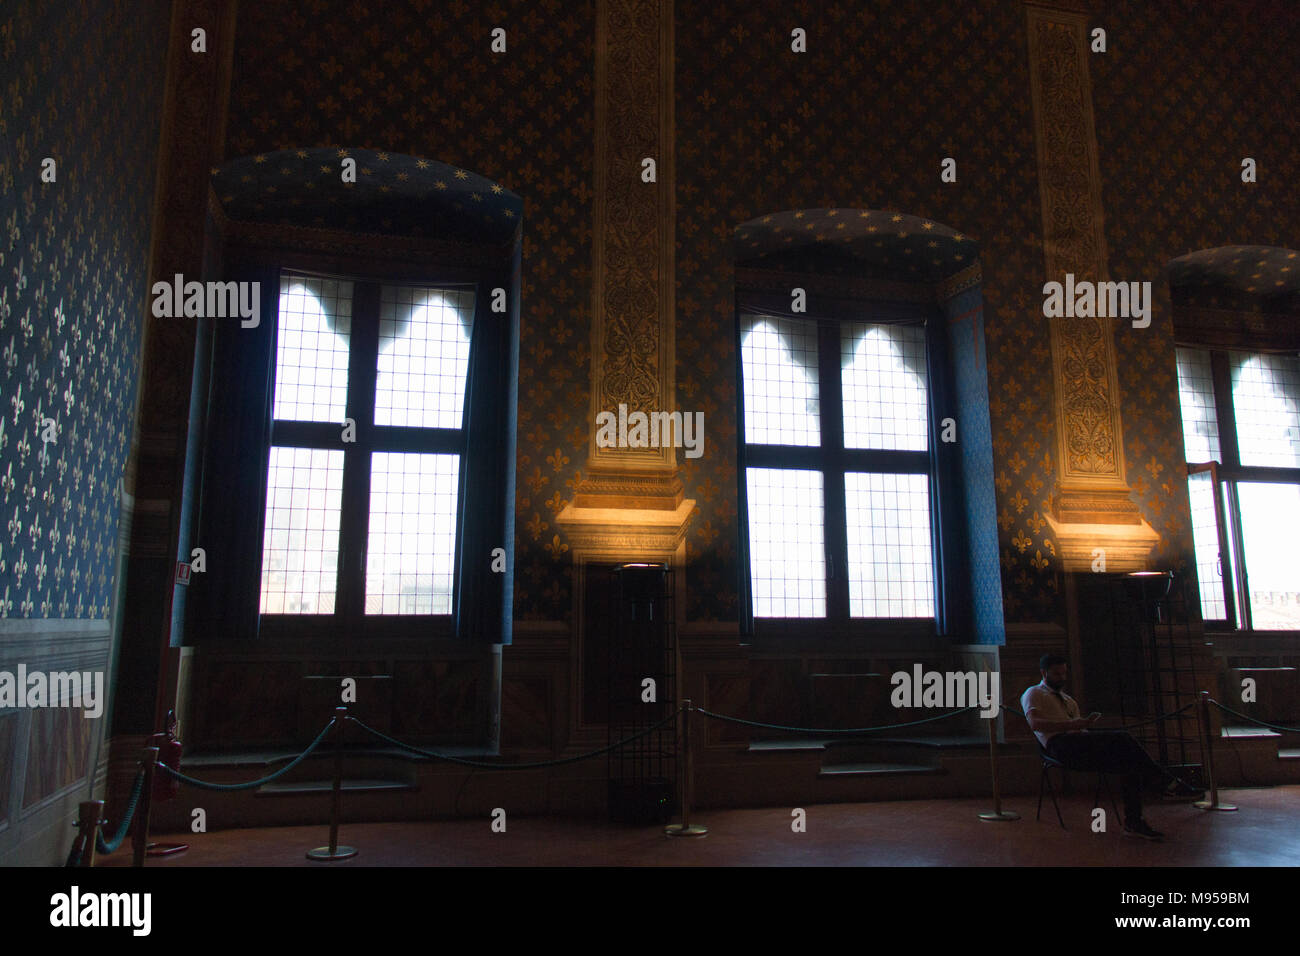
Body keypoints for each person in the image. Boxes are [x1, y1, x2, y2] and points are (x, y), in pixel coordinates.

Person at [1021, 653, 1198, 841]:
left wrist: (1083, 727)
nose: (1062, 678)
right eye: (1057, 674)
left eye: (1064, 674)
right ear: (1044, 673)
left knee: (1130, 762)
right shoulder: (1034, 693)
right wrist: (1074, 725)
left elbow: (1079, 729)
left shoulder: (1068, 700)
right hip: (1059, 746)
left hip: (1079, 743)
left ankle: (1134, 821)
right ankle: (1165, 782)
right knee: (1123, 739)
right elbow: (1035, 724)